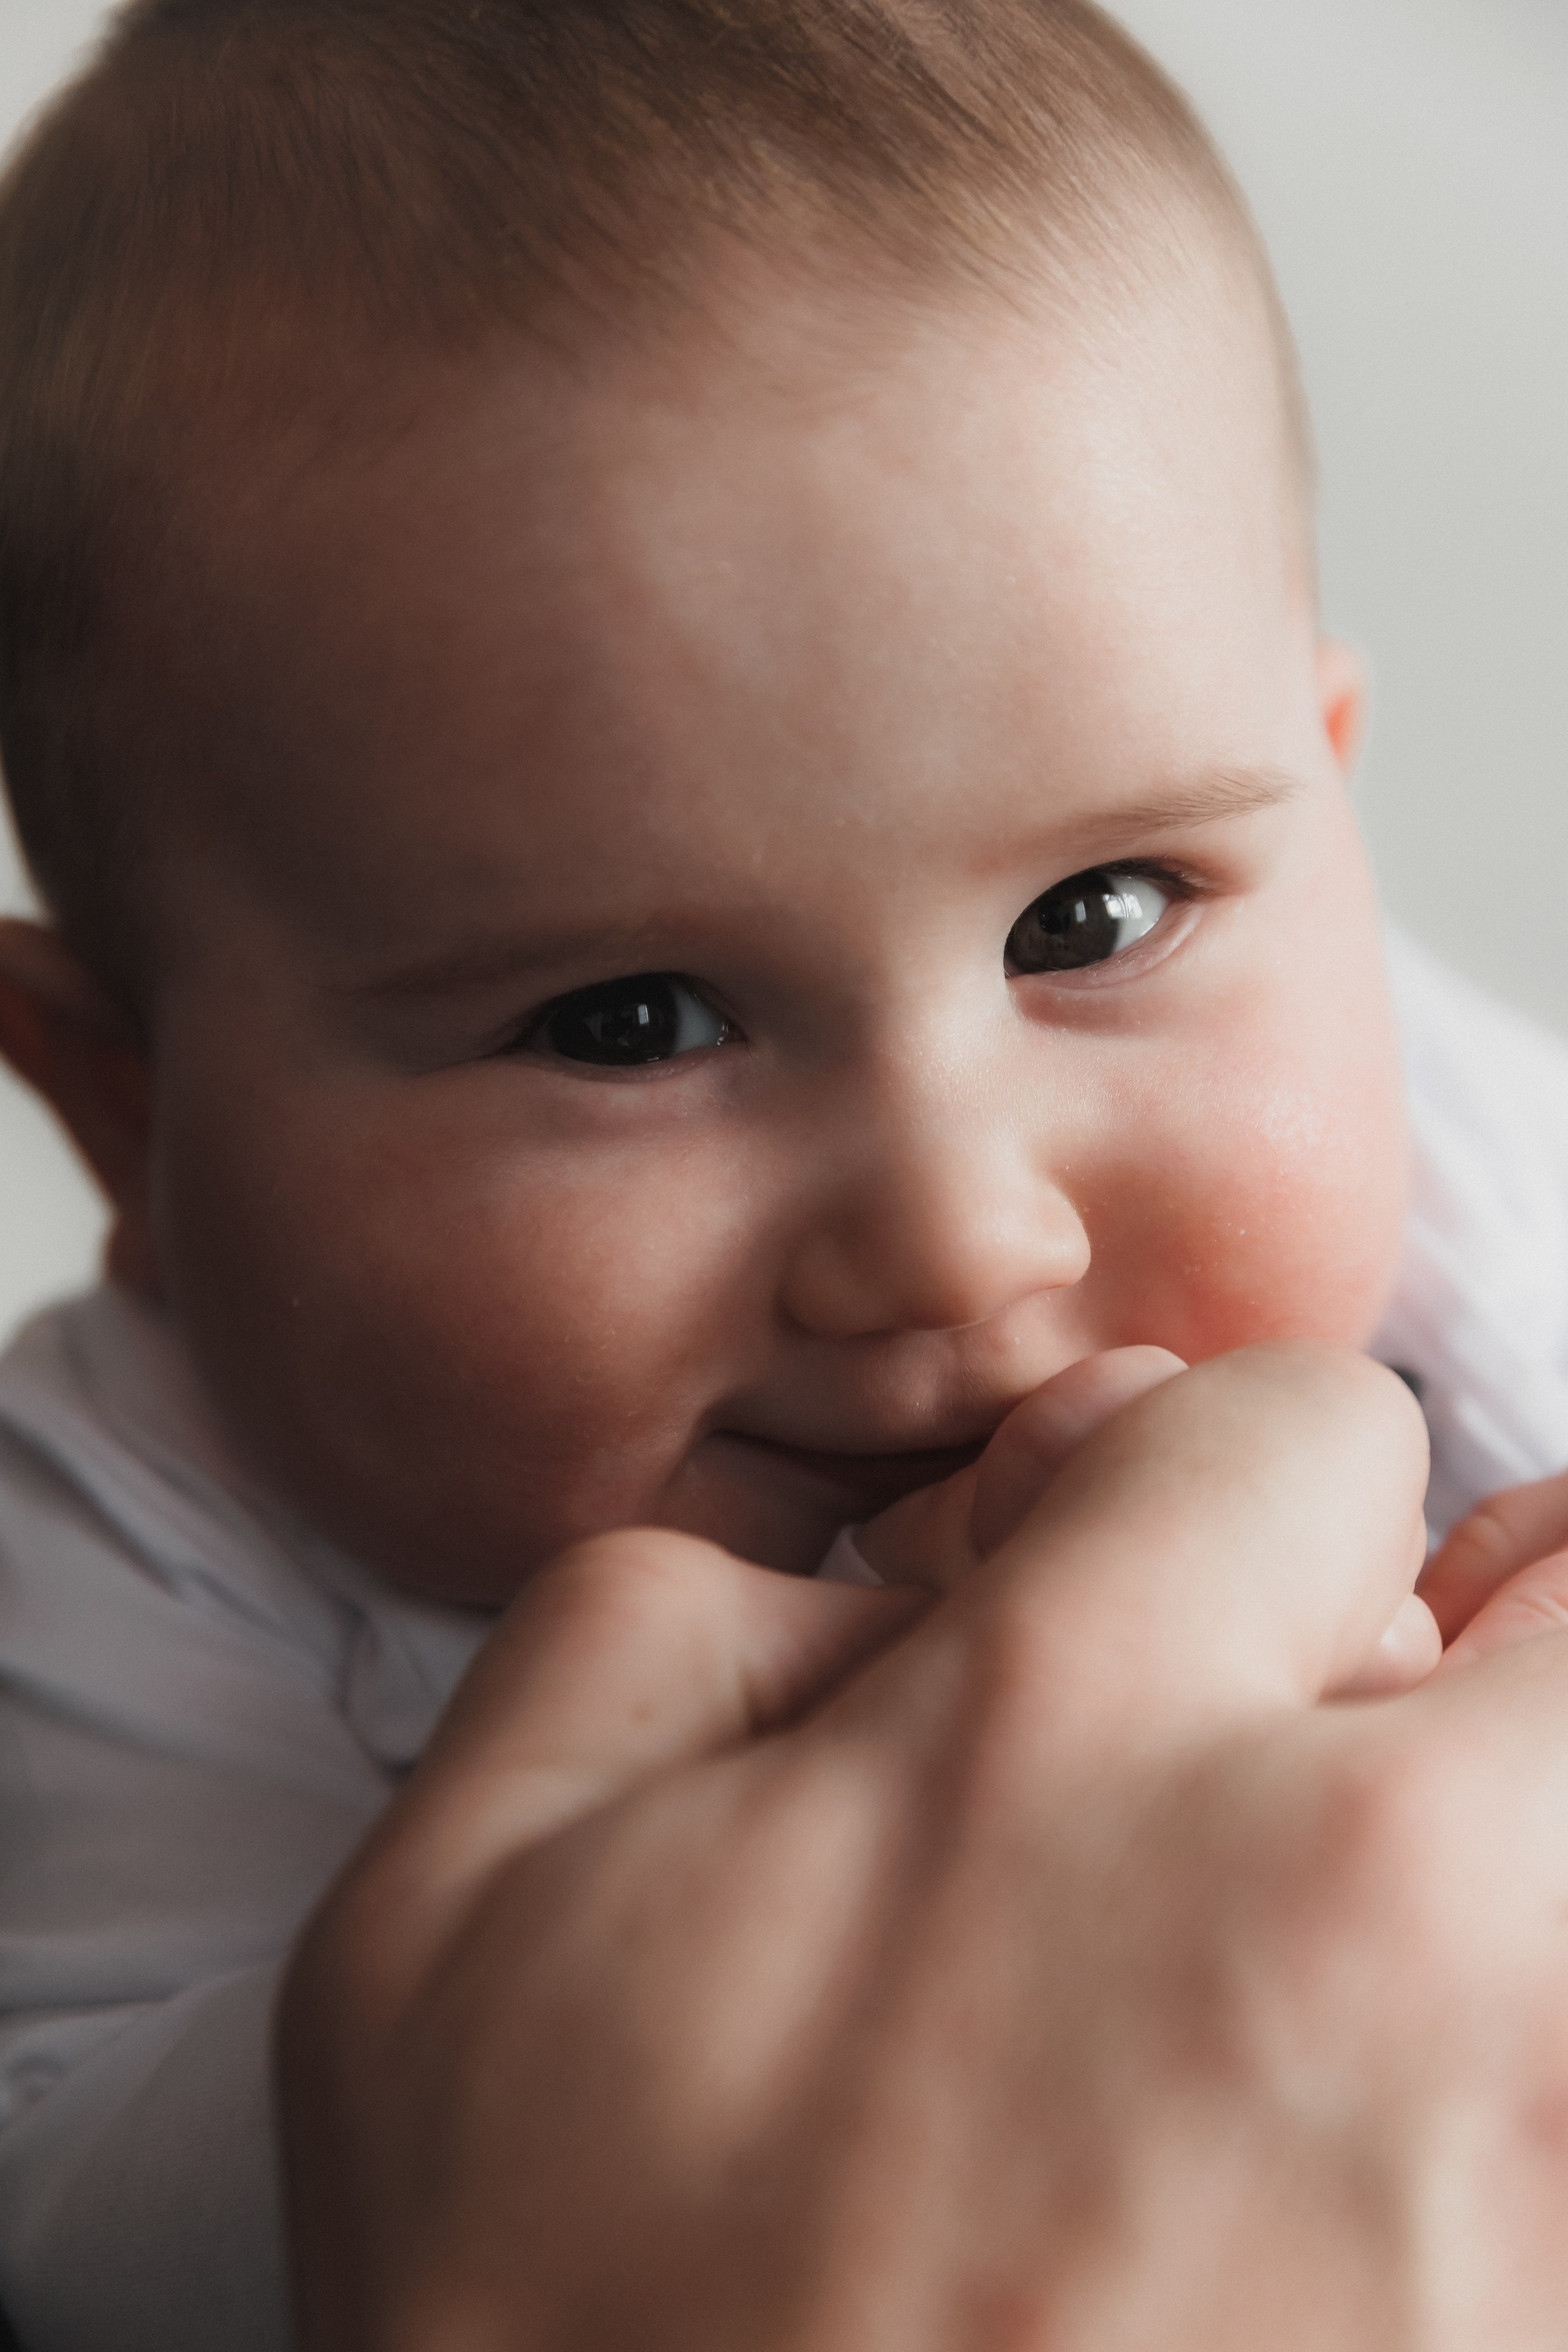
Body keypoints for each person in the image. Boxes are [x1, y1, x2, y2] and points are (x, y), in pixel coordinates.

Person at [2, 0, 1568, 2343]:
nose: (956, 1230)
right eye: (629, 1024)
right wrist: (639, 1936)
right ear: (131, 1107)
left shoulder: (1462, 1158)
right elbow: (71, 2197)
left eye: (1098, 917)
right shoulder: (137, 1530)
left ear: (1324, 802)